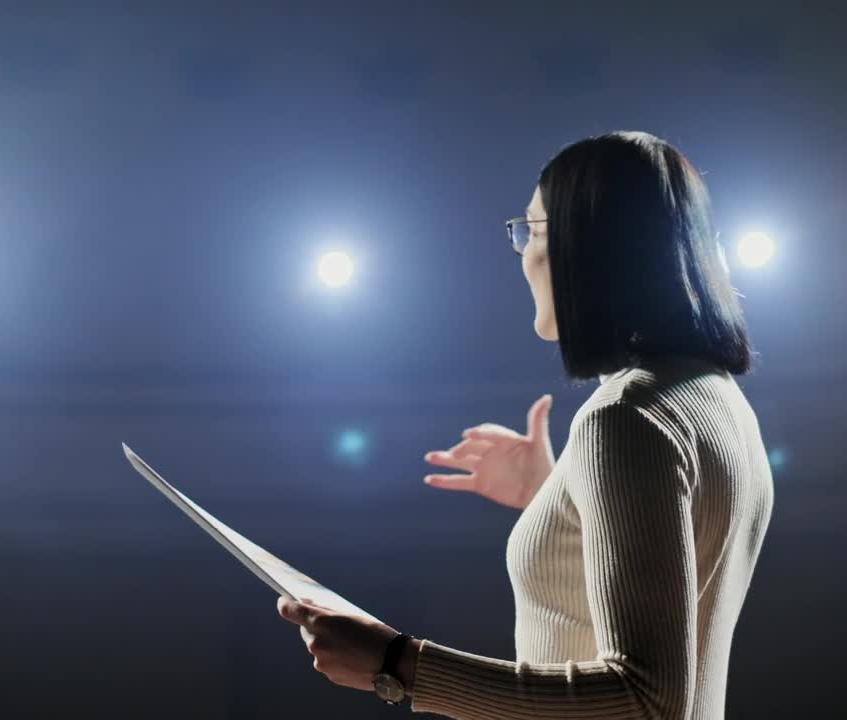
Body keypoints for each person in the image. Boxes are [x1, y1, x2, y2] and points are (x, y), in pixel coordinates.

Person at [277, 130, 774, 719]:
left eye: (532, 230)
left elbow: (645, 701)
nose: (522, 254)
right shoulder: (714, 397)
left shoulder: (624, 417)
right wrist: (558, 499)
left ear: (586, 248)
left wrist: (397, 664)